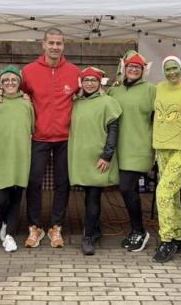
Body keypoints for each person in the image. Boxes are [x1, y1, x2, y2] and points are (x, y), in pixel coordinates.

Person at [20, 28, 79, 248]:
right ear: (43, 44)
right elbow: (16, 93)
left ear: (63, 46)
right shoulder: (29, 71)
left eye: (59, 43)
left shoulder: (74, 72)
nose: (55, 47)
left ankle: (56, 226)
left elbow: (86, 95)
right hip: (39, 136)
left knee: (63, 183)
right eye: (51, 43)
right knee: (33, 182)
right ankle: (35, 227)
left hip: (65, 137)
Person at [68, 67, 122, 256]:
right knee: (88, 196)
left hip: (98, 157)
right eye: (86, 80)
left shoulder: (108, 102)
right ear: (81, 83)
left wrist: (107, 155)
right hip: (80, 158)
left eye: (93, 80)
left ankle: (88, 237)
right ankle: (96, 229)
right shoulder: (77, 103)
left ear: (99, 83)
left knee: (93, 196)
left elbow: (113, 130)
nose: (89, 83)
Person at [107, 51, 156, 252]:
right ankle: (135, 230)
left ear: (143, 70)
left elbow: (158, 119)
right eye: (130, 66)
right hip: (117, 148)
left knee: (126, 188)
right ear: (124, 68)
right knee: (129, 190)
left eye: (138, 67)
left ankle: (139, 231)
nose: (134, 69)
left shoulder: (151, 90)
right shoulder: (114, 91)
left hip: (139, 147)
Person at [151, 56, 181, 263]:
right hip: (161, 147)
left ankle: (167, 239)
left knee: (163, 192)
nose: (171, 72)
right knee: (173, 194)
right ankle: (178, 237)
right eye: (167, 69)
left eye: (174, 68)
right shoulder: (159, 88)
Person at [0, 65, 34, 253]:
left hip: (20, 156)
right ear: (0, 83)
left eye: (13, 80)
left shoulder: (26, 103)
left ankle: (10, 236)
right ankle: (5, 220)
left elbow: (32, 128)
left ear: (19, 83)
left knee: (16, 197)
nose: (10, 83)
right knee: (0, 198)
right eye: (6, 80)